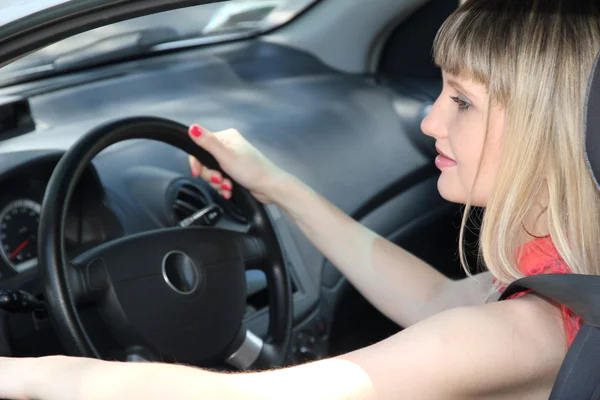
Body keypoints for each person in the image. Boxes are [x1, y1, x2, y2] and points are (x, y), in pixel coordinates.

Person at [2, 0, 600, 398]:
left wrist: (25, 375)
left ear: (546, 131)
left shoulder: (522, 330)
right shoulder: (561, 282)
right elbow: (436, 299)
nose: (429, 122)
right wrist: (277, 186)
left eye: (462, 102)